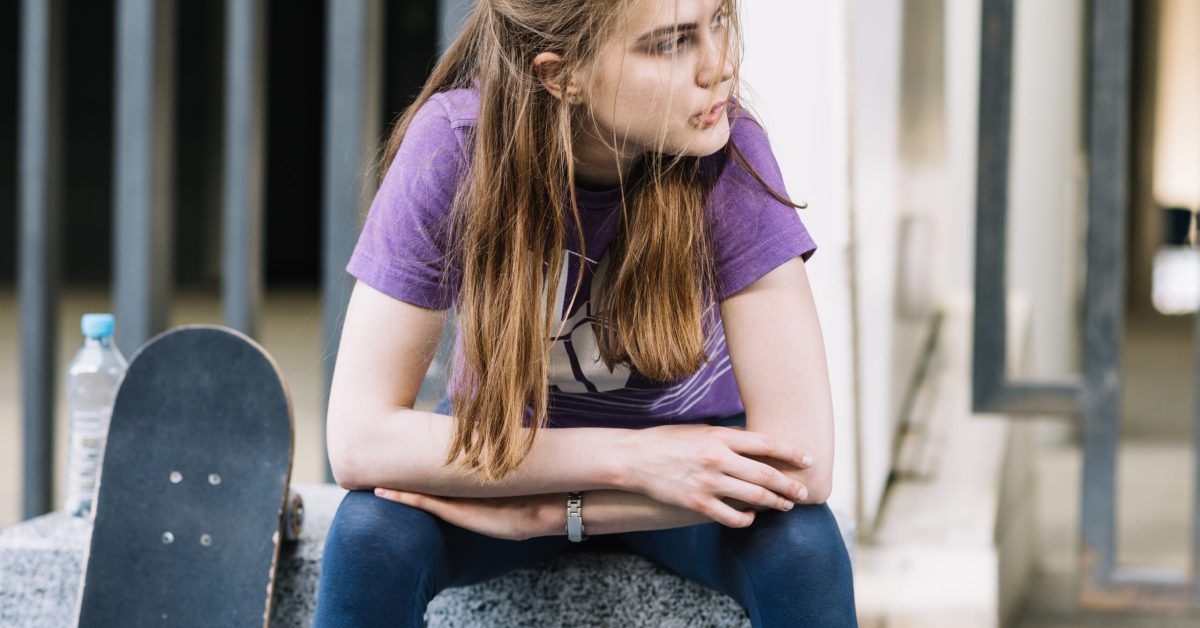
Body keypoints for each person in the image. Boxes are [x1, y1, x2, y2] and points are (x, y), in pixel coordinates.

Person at [313, 0, 857, 625]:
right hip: (507, 457)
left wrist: (553, 513)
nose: (722, 66)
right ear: (560, 75)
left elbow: (801, 464)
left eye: (721, 23)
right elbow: (358, 439)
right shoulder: (455, 149)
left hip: (693, 477)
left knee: (802, 546)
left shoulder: (727, 152)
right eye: (670, 43)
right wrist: (631, 462)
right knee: (369, 536)